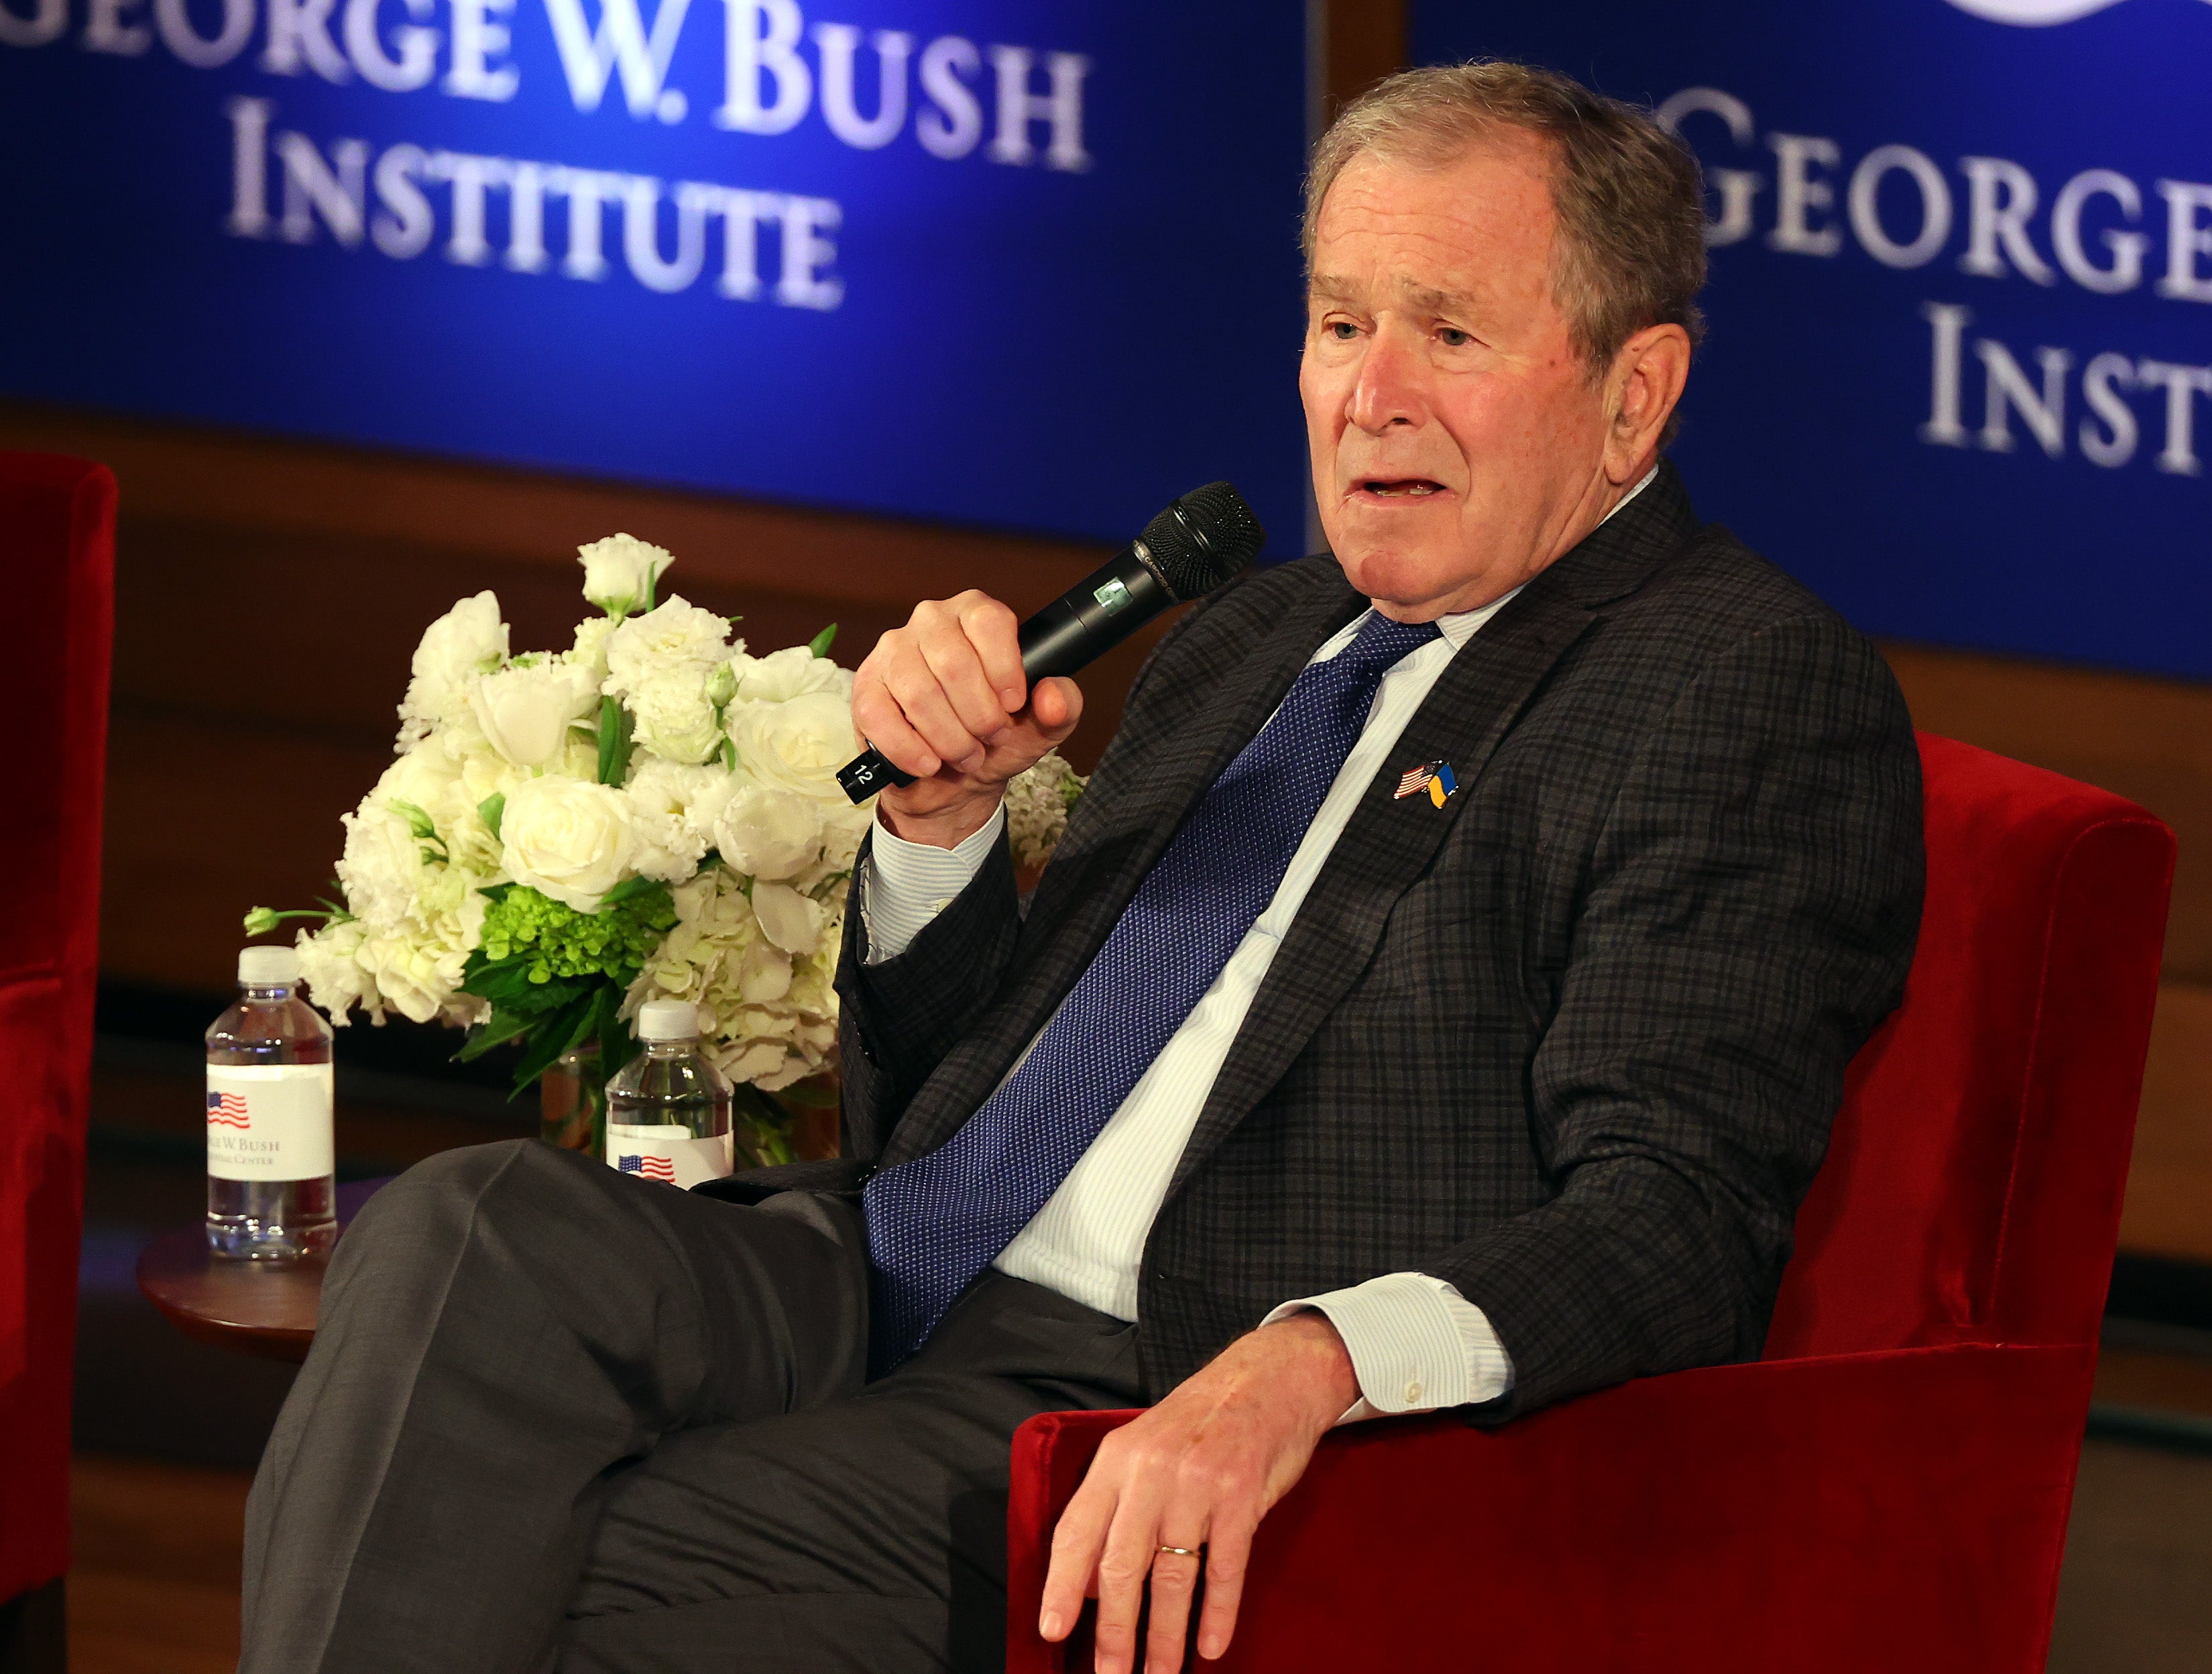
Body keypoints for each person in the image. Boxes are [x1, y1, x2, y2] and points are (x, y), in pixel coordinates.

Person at [239, 61, 1924, 1674]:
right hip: (896, 1271)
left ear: (1637, 394)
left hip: (1150, 1390)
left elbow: (1682, 1218)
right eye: (1341, 323)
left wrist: (1304, 1366)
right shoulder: (1259, 630)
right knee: (464, 1229)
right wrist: (941, 832)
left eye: (1451, 333)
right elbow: (958, 1100)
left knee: (500, 1557)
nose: (1369, 392)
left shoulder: (1734, 681)